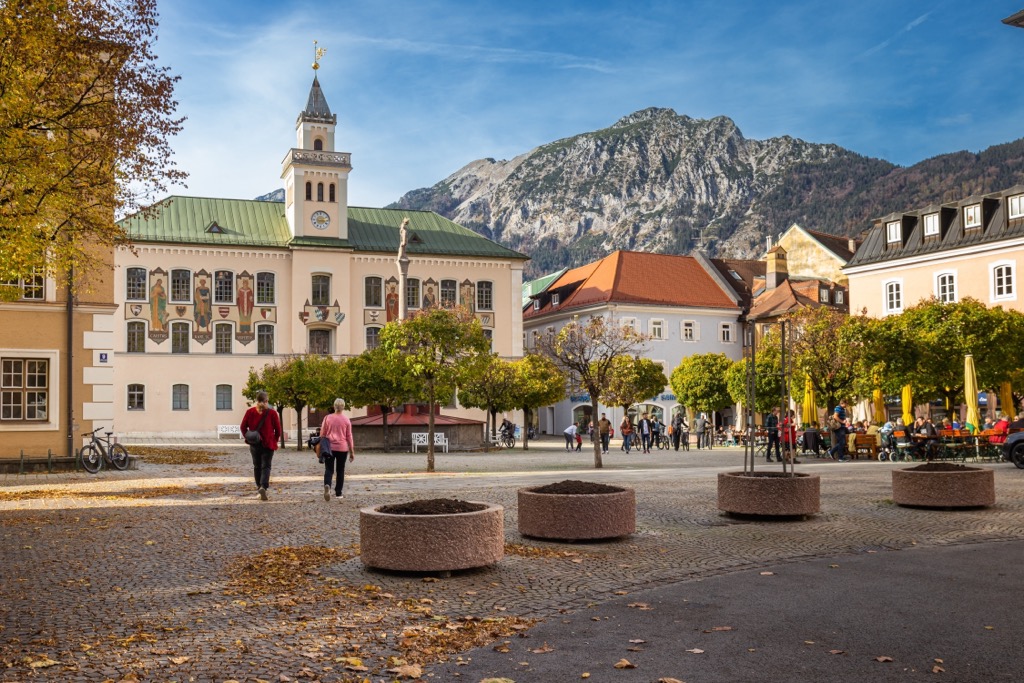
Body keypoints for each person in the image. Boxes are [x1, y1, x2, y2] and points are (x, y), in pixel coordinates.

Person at [239, 390, 282, 501]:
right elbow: (278, 430)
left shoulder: (250, 412)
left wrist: (248, 437)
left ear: (256, 400)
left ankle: (259, 487)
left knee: (257, 466)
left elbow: (243, 427)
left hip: (254, 444)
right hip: (268, 444)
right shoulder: (272, 413)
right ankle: (264, 487)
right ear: (266, 400)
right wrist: (275, 440)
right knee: (266, 466)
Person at [319, 398, 355, 499]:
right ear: (343, 407)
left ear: (334, 406)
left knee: (329, 469)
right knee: (340, 470)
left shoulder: (327, 418)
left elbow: (322, 434)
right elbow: (349, 436)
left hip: (329, 447)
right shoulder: (346, 420)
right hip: (342, 448)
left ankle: (327, 485)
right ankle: (338, 493)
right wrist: (352, 451)